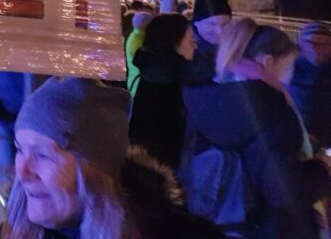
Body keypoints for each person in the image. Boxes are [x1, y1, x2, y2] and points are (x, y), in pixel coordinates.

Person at [0, 77, 224, 239]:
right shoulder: (11, 233)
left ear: (97, 167)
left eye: (43, 155)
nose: (23, 172)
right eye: (20, 150)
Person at [181, 18, 319, 239]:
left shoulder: (207, 99)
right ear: (268, 62)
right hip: (268, 230)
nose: (290, 77)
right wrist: (319, 174)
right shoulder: (272, 110)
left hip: (219, 226)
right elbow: (283, 192)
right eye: (289, 65)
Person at [129, 13, 195, 169]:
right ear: (173, 42)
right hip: (168, 171)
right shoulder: (175, 80)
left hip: (146, 167)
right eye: (191, 39)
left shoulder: (153, 74)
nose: (195, 45)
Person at [288, 21, 331, 150]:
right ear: (301, 44)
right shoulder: (288, 70)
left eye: (324, 44)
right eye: (312, 43)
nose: (317, 49)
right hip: (298, 139)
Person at [187, 0, 233, 84]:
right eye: (212, 24)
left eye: (225, 24)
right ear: (196, 23)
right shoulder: (183, 53)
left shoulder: (237, 44)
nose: (219, 31)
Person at [125, 12, 154, 97]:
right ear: (146, 25)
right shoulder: (137, 40)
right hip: (138, 84)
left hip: (136, 82)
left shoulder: (137, 37)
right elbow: (143, 63)